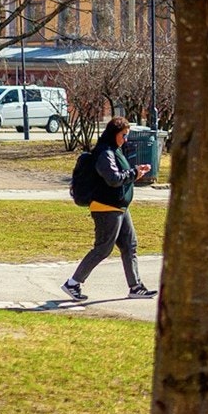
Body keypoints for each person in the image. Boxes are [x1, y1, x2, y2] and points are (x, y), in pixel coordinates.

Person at [62, 116, 156, 301]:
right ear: (114, 134)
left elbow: (121, 175)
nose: (126, 139)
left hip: (120, 207)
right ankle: (73, 283)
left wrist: (135, 172)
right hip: (106, 207)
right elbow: (113, 178)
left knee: (130, 245)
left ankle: (135, 287)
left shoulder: (115, 150)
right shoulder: (104, 152)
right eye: (124, 135)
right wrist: (134, 173)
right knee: (103, 248)